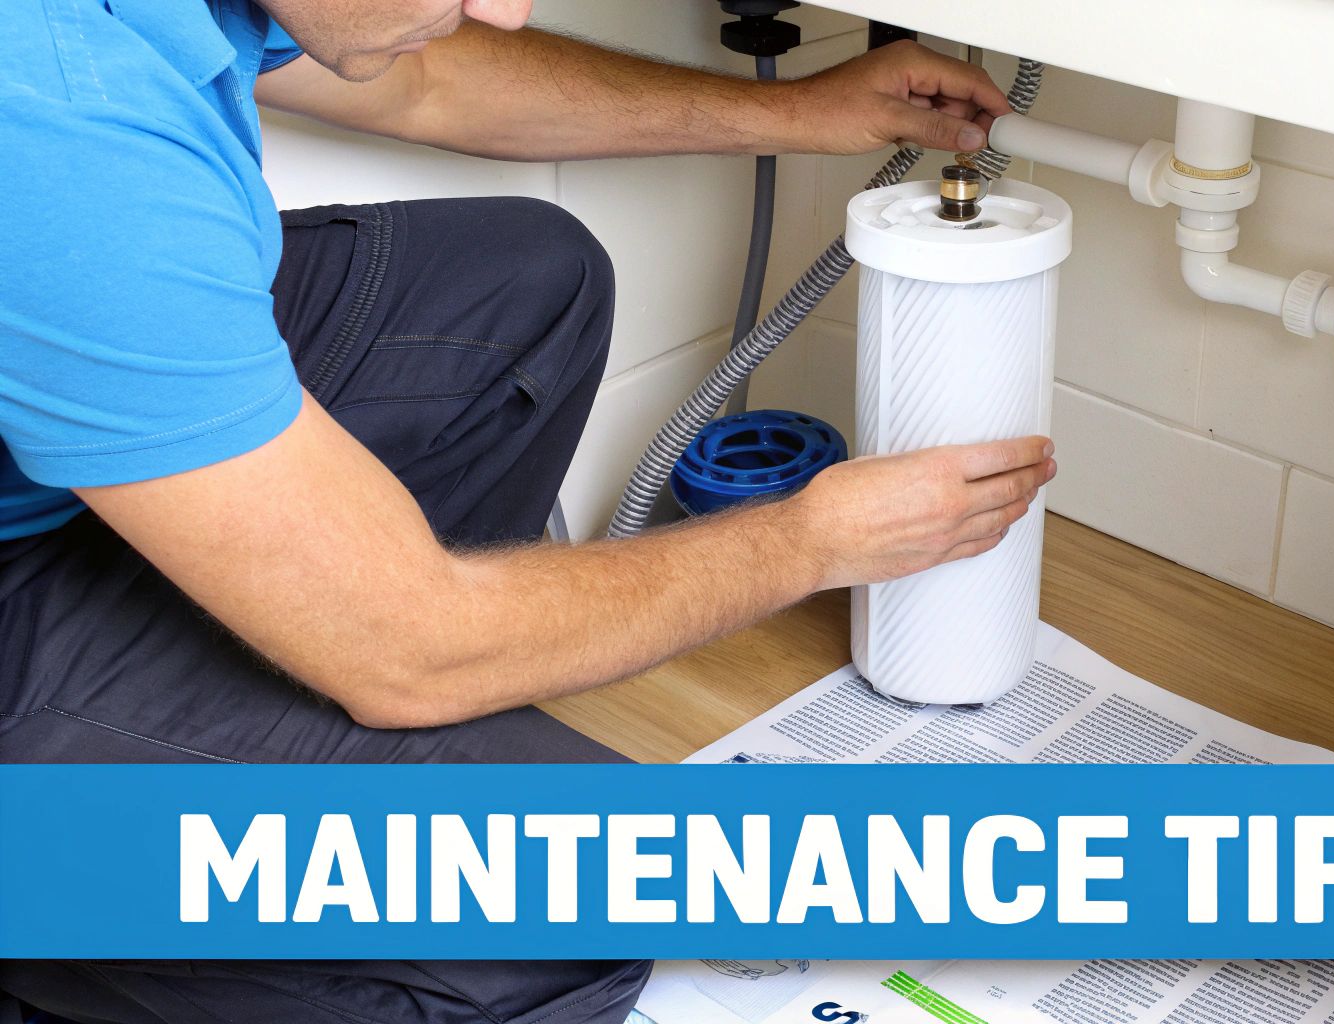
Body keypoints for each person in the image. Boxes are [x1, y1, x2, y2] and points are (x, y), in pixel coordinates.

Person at [0, 1, 1056, 1020]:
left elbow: (423, 77)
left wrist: (798, 111)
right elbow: (409, 648)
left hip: (57, 493)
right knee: (561, 912)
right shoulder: (54, 116)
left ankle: (285, 699)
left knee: (526, 284)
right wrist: (814, 540)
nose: (502, 11)